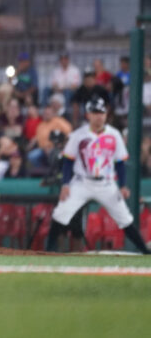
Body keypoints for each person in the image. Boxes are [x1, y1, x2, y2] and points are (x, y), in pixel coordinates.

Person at [46, 96, 149, 254]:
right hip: (82, 182)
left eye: (101, 112)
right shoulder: (78, 135)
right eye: (95, 113)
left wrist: (123, 185)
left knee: (125, 219)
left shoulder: (114, 134)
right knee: (60, 214)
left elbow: (120, 162)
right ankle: (48, 250)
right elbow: (68, 161)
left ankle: (145, 252)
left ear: (106, 114)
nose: (99, 116)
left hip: (106, 183)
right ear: (88, 115)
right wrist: (66, 184)